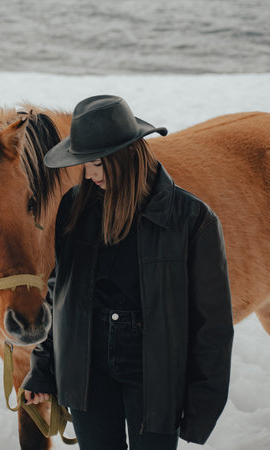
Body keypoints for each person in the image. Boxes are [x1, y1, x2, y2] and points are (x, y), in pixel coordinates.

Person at [21, 95, 234, 449]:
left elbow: (212, 324)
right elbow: (60, 293)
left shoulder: (191, 219)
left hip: (155, 375)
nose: (90, 174)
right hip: (87, 370)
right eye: (84, 164)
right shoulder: (75, 206)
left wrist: (201, 407)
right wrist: (43, 369)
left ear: (129, 155)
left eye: (99, 164)